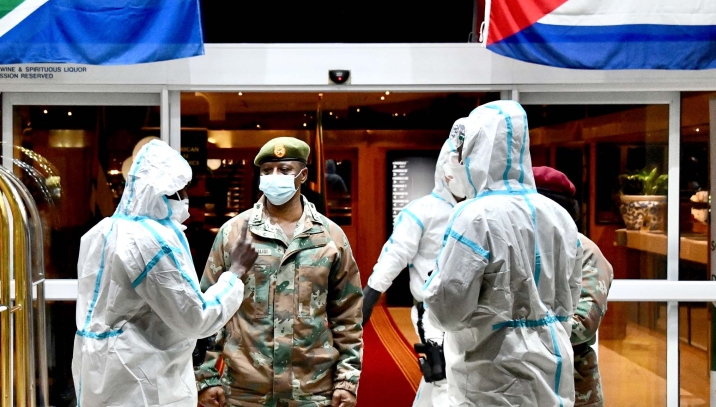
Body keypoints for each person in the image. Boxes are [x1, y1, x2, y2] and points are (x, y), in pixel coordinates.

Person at [73, 139, 258, 407]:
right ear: (160, 193)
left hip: (99, 372)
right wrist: (235, 273)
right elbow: (196, 318)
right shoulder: (151, 241)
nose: (185, 200)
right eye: (179, 192)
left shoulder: (102, 231)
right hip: (141, 378)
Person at [422, 100, 582, 407]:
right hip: (554, 379)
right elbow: (570, 299)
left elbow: (447, 311)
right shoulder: (558, 216)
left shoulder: (474, 216)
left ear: (476, 151)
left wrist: (434, 285)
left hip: (492, 383)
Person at [197, 137, 363, 407]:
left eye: (285, 170)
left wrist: (347, 380)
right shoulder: (235, 234)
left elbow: (348, 314)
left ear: (302, 175)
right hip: (245, 390)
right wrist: (206, 377)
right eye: (267, 171)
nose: (275, 177)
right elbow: (209, 307)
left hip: (312, 389)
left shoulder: (329, 237)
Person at [361, 139, 461, 407]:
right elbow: (396, 254)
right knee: (443, 377)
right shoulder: (422, 211)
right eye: (455, 161)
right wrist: (370, 294)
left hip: (476, 313)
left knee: (460, 378)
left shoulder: (482, 210)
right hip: (434, 314)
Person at [533, 166, 614, 407]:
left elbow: (582, 326)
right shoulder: (519, 247)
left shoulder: (585, 251)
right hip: (523, 387)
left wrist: (516, 329)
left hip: (574, 390)